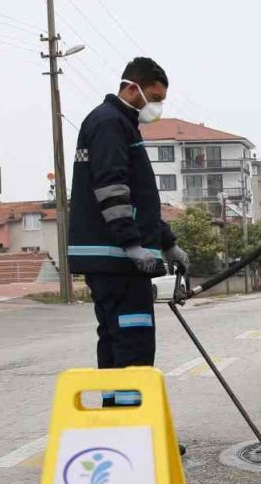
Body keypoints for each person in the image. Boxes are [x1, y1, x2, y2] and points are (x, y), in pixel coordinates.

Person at [68, 57, 188, 407]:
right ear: (130, 86)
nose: (154, 106)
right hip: (117, 258)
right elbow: (111, 190)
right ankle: (133, 426)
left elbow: (140, 198)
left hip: (113, 257)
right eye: (152, 96)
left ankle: (116, 423)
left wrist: (167, 242)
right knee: (132, 342)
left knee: (115, 340)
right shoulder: (110, 123)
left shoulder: (120, 124)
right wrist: (133, 245)